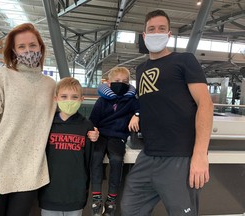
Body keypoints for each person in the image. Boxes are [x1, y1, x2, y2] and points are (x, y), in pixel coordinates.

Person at [121, 9, 214, 216]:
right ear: (144, 36)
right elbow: (152, 102)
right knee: (130, 208)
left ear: (169, 34)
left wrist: (200, 155)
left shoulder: (185, 61)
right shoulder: (140, 69)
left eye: (161, 29)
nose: (156, 33)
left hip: (179, 156)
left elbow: (206, 105)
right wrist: (136, 114)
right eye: (151, 29)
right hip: (148, 155)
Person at [0, 23, 57, 216]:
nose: (28, 50)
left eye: (32, 45)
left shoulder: (51, 86)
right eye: (22, 47)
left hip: (30, 175)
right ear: (14, 51)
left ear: (41, 48)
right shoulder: (1, 77)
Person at [38, 77, 99, 216]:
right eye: (64, 97)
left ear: (81, 99)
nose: (69, 101)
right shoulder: (47, 124)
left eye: (74, 97)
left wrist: (96, 138)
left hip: (75, 194)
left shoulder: (86, 126)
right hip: (49, 192)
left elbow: (89, 161)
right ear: (56, 98)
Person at [89, 67, 140, 216]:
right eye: (117, 81)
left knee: (117, 160)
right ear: (109, 83)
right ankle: (96, 196)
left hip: (118, 136)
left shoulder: (131, 100)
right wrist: (93, 131)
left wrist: (137, 114)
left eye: (125, 81)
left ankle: (112, 198)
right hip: (101, 134)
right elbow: (93, 120)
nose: (121, 84)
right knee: (96, 156)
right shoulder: (102, 100)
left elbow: (143, 108)